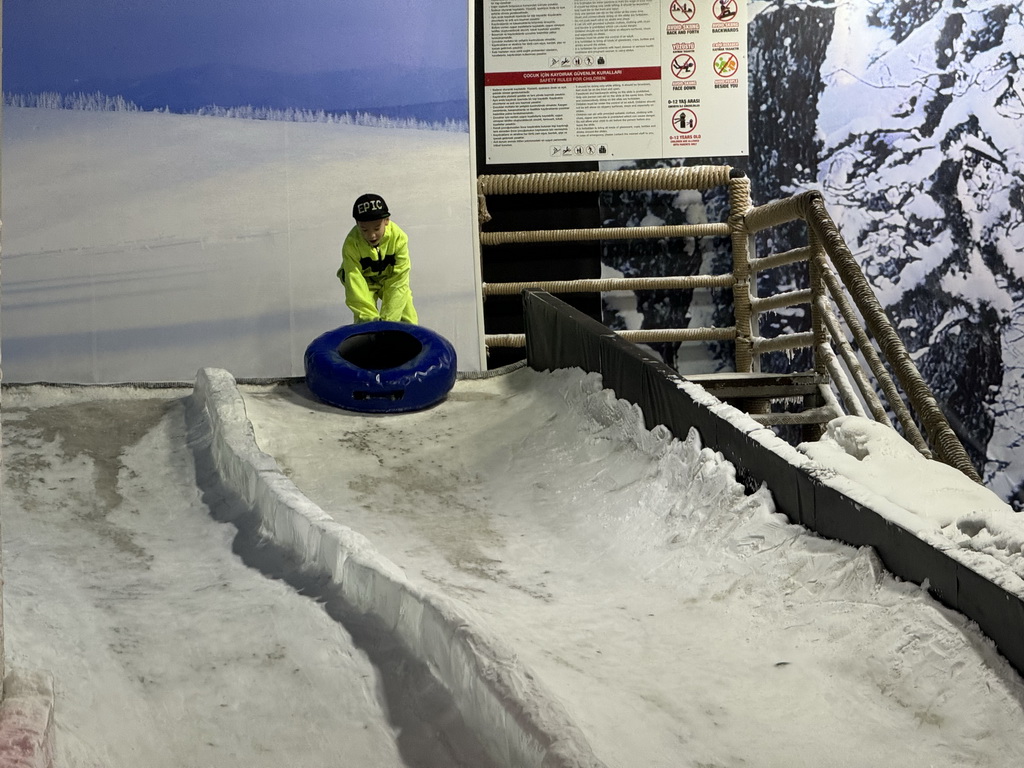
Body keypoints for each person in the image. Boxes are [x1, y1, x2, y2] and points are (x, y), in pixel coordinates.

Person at [337, 193, 418, 324]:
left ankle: (409, 341)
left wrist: (389, 321)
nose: (372, 235)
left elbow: (399, 280)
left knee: (407, 316)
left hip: (391, 279)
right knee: (364, 321)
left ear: (386, 221)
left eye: (376, 228)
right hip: (365, 282)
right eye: (364, 230)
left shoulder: (399, 238)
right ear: (357, 224)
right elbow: (354, 283)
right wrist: (371, 321)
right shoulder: (351, 244)